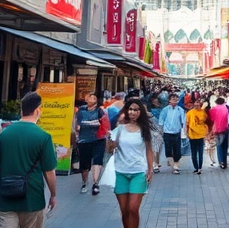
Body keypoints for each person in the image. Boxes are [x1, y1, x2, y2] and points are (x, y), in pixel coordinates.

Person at [0, 91, 57, 228]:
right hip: (33, 200)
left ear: (21, 110)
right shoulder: (44, 137)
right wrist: (53, 195)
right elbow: (49, 171)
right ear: (38, 110)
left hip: (6, 198)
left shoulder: (4, 134)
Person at [107, 98, 155, 228]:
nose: (133, 112)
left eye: (136, 110)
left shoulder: (144, 130)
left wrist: (150, 170)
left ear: (141, 112)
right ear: (127, 111)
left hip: (139, 172)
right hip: (120, 172)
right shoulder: (119, 129)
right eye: (131, 109)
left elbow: (149, 151)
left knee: (133, 208)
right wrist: (111, 144)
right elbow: (109, 150)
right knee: (124, 211)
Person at [74, 92, 107, 193]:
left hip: (98, 139)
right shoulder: (81, 110)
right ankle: (84, 183)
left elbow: (105, 123)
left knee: (97, 161)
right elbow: (77, 124)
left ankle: (95, 184)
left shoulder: (100, 111)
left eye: (94, 97)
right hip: (84, 140)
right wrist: (76, 132)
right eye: (90, 97)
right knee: (84, 164)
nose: (92, 98)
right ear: (86, 99)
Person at [161, 92, 186, 174]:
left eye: (176, 100)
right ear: (169, 100)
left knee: (177, 150)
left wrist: (183, 131)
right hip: (167, 132)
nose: (175, 101)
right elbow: (161, 120)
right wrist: (161, 130)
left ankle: (176, 166)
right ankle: (171, 161)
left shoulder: (180, 110)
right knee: (168, 150)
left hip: (177, 132)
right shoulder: (165, 110)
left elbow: (183, 122)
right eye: (173, 100)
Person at [185, 98, 210, 173]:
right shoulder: (190, 113)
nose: (197, 105)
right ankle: (196, 167)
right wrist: (186, 133)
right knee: (194, 152)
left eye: (198, 104)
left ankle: (200, 167)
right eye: (196, 103)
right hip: (192, 135)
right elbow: (187, 124)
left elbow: (206, 121)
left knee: (200, 152)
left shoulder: (203, 112)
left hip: (201, 135)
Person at [209, 96, 229, 168]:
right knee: (225, 146)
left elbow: (211, 119)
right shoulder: (226, 108)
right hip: (225, 128)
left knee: (219, 146)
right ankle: (225, 161)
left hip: (217, 130)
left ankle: (221, 162)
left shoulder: (213, 109)